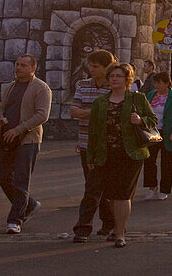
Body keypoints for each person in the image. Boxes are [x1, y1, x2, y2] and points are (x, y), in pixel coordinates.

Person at [86, 63, 158, 247]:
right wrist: (91, 157)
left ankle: (120, 234)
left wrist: (140, 120)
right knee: (110, 194)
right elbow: (93, 131)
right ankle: (118, 227)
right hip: (106, 153)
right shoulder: (100, 102)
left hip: (130, 153)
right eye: (112, 76)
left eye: (119, 76)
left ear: (127, 79)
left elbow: (153, 120)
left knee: (123, 194)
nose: (115, 79)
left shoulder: (137, 98)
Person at [0, 53, 51, 234]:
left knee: (21, 180)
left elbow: (42, 115)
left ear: (33, 68)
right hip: (7, 138)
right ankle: (30, 204)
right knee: (3, 177)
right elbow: (2, 106)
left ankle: (15, 220)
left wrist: (19, 129)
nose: (19, 68)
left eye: (24, 65)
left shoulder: (41, 88)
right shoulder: (10, 86)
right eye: (17, 64)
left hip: (28, 140)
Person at [70, 49, 117, 242]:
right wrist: (96, 110)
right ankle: (108, 222)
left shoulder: (114, 86)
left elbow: (114, 113)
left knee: (94, 187)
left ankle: (83, 228)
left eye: (95, 66)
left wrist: (87, 111)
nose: (91, 69)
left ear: (107, 68)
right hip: (85, 144)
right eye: (90, 65)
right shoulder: (82, 85)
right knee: (96, 185)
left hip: (108, 145)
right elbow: (74, 111)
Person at [143, 72, 172, 200]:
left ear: (167, 83)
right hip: (153, 131)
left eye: (159, 83)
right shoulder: (151, 95)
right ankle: (152, 185)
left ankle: (165, 188)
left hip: (168, 131)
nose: (157, 85)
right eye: (155, 83)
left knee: (167, 162)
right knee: (149, 160)